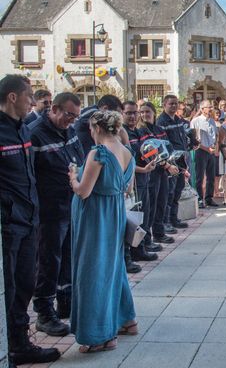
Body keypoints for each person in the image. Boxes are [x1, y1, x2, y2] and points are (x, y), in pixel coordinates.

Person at [0, 75, 61, 365]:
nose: (33, 103)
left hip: (29, 219)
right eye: (28, 97)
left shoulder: (23, 129)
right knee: (9, 287)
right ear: (12, 97)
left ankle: (21, 343)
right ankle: (11, 345)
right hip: (8, 224)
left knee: (25, 283)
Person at [68, 110, 137, 353]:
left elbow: (84, 191)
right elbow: (127, 189)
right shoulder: (128, 153)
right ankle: (126, 319)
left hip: (95, 217)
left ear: (97, 128)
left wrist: (73, 177)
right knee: (114, 266)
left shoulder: (98, 154)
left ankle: (99, 335)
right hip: (115, 213)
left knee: (92, 271)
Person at [30, 92, 84, 337]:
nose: (71, 120)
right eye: (68, 115)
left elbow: (79, 158)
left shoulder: (70, 131)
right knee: (49, 260)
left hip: (70, 203)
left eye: (75, 116)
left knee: (68, 256)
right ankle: (44, 311)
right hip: (49, 209)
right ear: (54, 108)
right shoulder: (35, 133)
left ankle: (65, 300)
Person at [122, 101, 160, 263]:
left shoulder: (137, 131)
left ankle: (141, 247)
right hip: (133, 181)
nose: (132, 116)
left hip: (145, 178)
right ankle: (132, 253)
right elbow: (126, 161)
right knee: (134, 217)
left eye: (134, 113)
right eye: (128, 113)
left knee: (145, 214)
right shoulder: (122, 133)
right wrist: (142, 170)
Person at [137, 102, 177, 246]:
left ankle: (159, 233)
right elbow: (149, 152)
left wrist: (172, 163)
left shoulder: (159, 129)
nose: (144, 115)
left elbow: (167, 147)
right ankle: (148, 238)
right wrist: (166, 164)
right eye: (141, 112)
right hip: (151, 172)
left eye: (147, 111)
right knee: (151, 206)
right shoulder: (141, 130)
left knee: (162, 201)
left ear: (154, 113)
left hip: (163, 172)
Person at [157, 95, 190, 231]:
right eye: (171, 104)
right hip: (171, 161)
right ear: (164, 104)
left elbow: (182, 137)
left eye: (176, 104)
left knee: (177, 190)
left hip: (181, 160)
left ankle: (174, 218)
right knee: (169, 192)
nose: (174, 106)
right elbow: (164, 143)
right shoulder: (161, 121)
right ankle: (166, 221)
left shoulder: (178, 119)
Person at [191, 101, 219, 208]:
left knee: (211, 176)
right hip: (200, 151)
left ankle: (209, 198)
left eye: (211, 107)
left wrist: (215, 147)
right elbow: (194, 139)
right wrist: (206, 148)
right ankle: (199, 199)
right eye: (209, 107)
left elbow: (215, 136)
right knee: (199, 177)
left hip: (211, 151)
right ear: (202, 109)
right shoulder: (195, 121)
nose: (211, 109)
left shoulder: (212, 121)